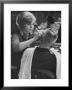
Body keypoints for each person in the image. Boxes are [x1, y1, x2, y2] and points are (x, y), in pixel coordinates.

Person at [11, 11, 40, 79]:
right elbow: (16, 48)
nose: (31, 26)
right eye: (29, 24)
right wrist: (33, 39)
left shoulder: (29, 34)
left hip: (25, 65)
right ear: (22, 24)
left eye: (32, 24)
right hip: (16, 67)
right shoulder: (15, 35)